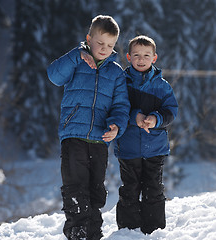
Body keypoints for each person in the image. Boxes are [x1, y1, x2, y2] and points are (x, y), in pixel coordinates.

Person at [47, 15, 130, 240]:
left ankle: (93, 232)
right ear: (89, 39)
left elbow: (121, 105)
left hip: (99, 139)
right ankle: (77, 233)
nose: (104, 49)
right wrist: (76, 55)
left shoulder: (116, 72)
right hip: (73, 135)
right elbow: (54, 75)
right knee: (75, 187)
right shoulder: (77, 60)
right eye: (100, 43)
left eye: (110, 45)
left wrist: (117, 125)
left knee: (95, 190)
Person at [114, 35, 178, 234]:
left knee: (153, 187)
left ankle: (154, 228)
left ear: (154, 58)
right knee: (130, 187)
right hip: (128, 147)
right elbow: (116, 109)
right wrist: (136, 117)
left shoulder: (162, 86)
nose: (141, 59)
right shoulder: (121, 83)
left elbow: (171, 112)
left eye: (146, 55)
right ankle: (128, 229)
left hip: (155, 147)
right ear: (128, 57)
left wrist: (156, 119)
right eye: (136, 55)